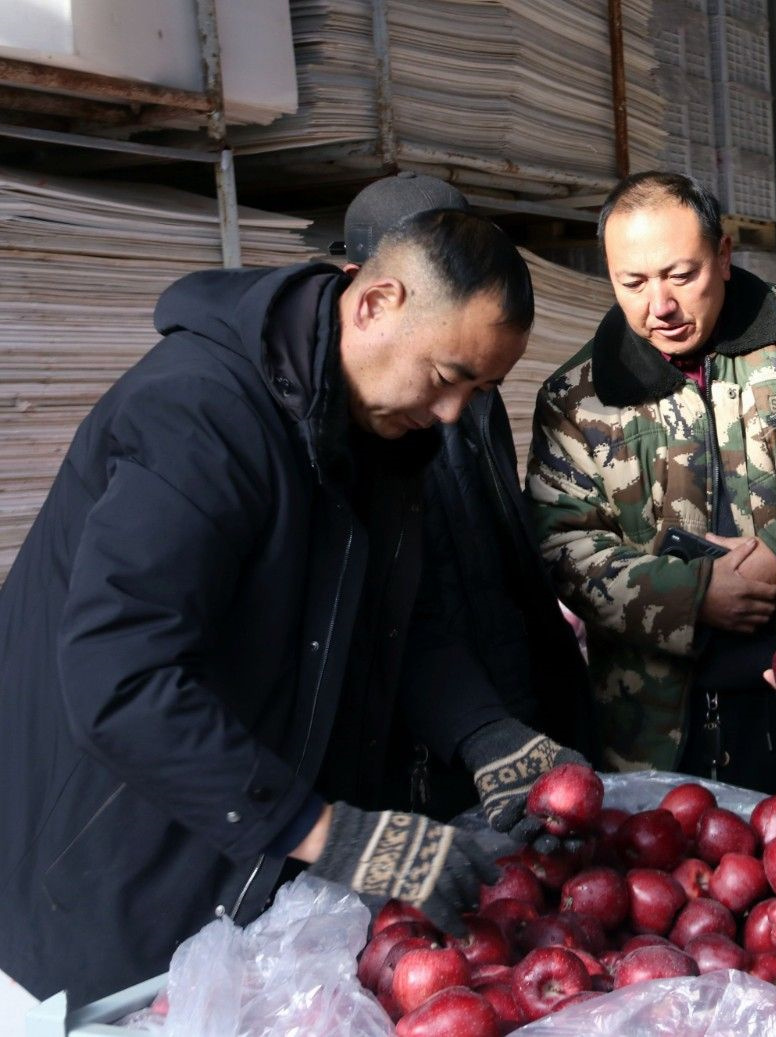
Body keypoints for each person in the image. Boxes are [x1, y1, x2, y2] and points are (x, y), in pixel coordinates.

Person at [0, 209, 553, 1003]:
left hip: (247, 869)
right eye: (446, 376)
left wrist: (487, 732)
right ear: (373, 303)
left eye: (480, 389)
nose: (454, 414)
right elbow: (121, 678)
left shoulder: (381, 435)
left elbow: (397, 615)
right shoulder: (199, 415)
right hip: (113, 873)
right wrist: (331, 834)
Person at [528, 171, 776, 803]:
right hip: (660, 729)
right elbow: (561, 550)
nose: (661, 306)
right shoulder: (578, 399)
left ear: (725, 256)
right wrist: (693, 596)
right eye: (633, 283)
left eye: (682, 276)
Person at [331, 173, 594, 824]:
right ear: (368, 288)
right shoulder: (352, 420)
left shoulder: (475, 392)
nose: (449, 409)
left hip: (496, 703)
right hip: (423, 741)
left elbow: (498, 545)